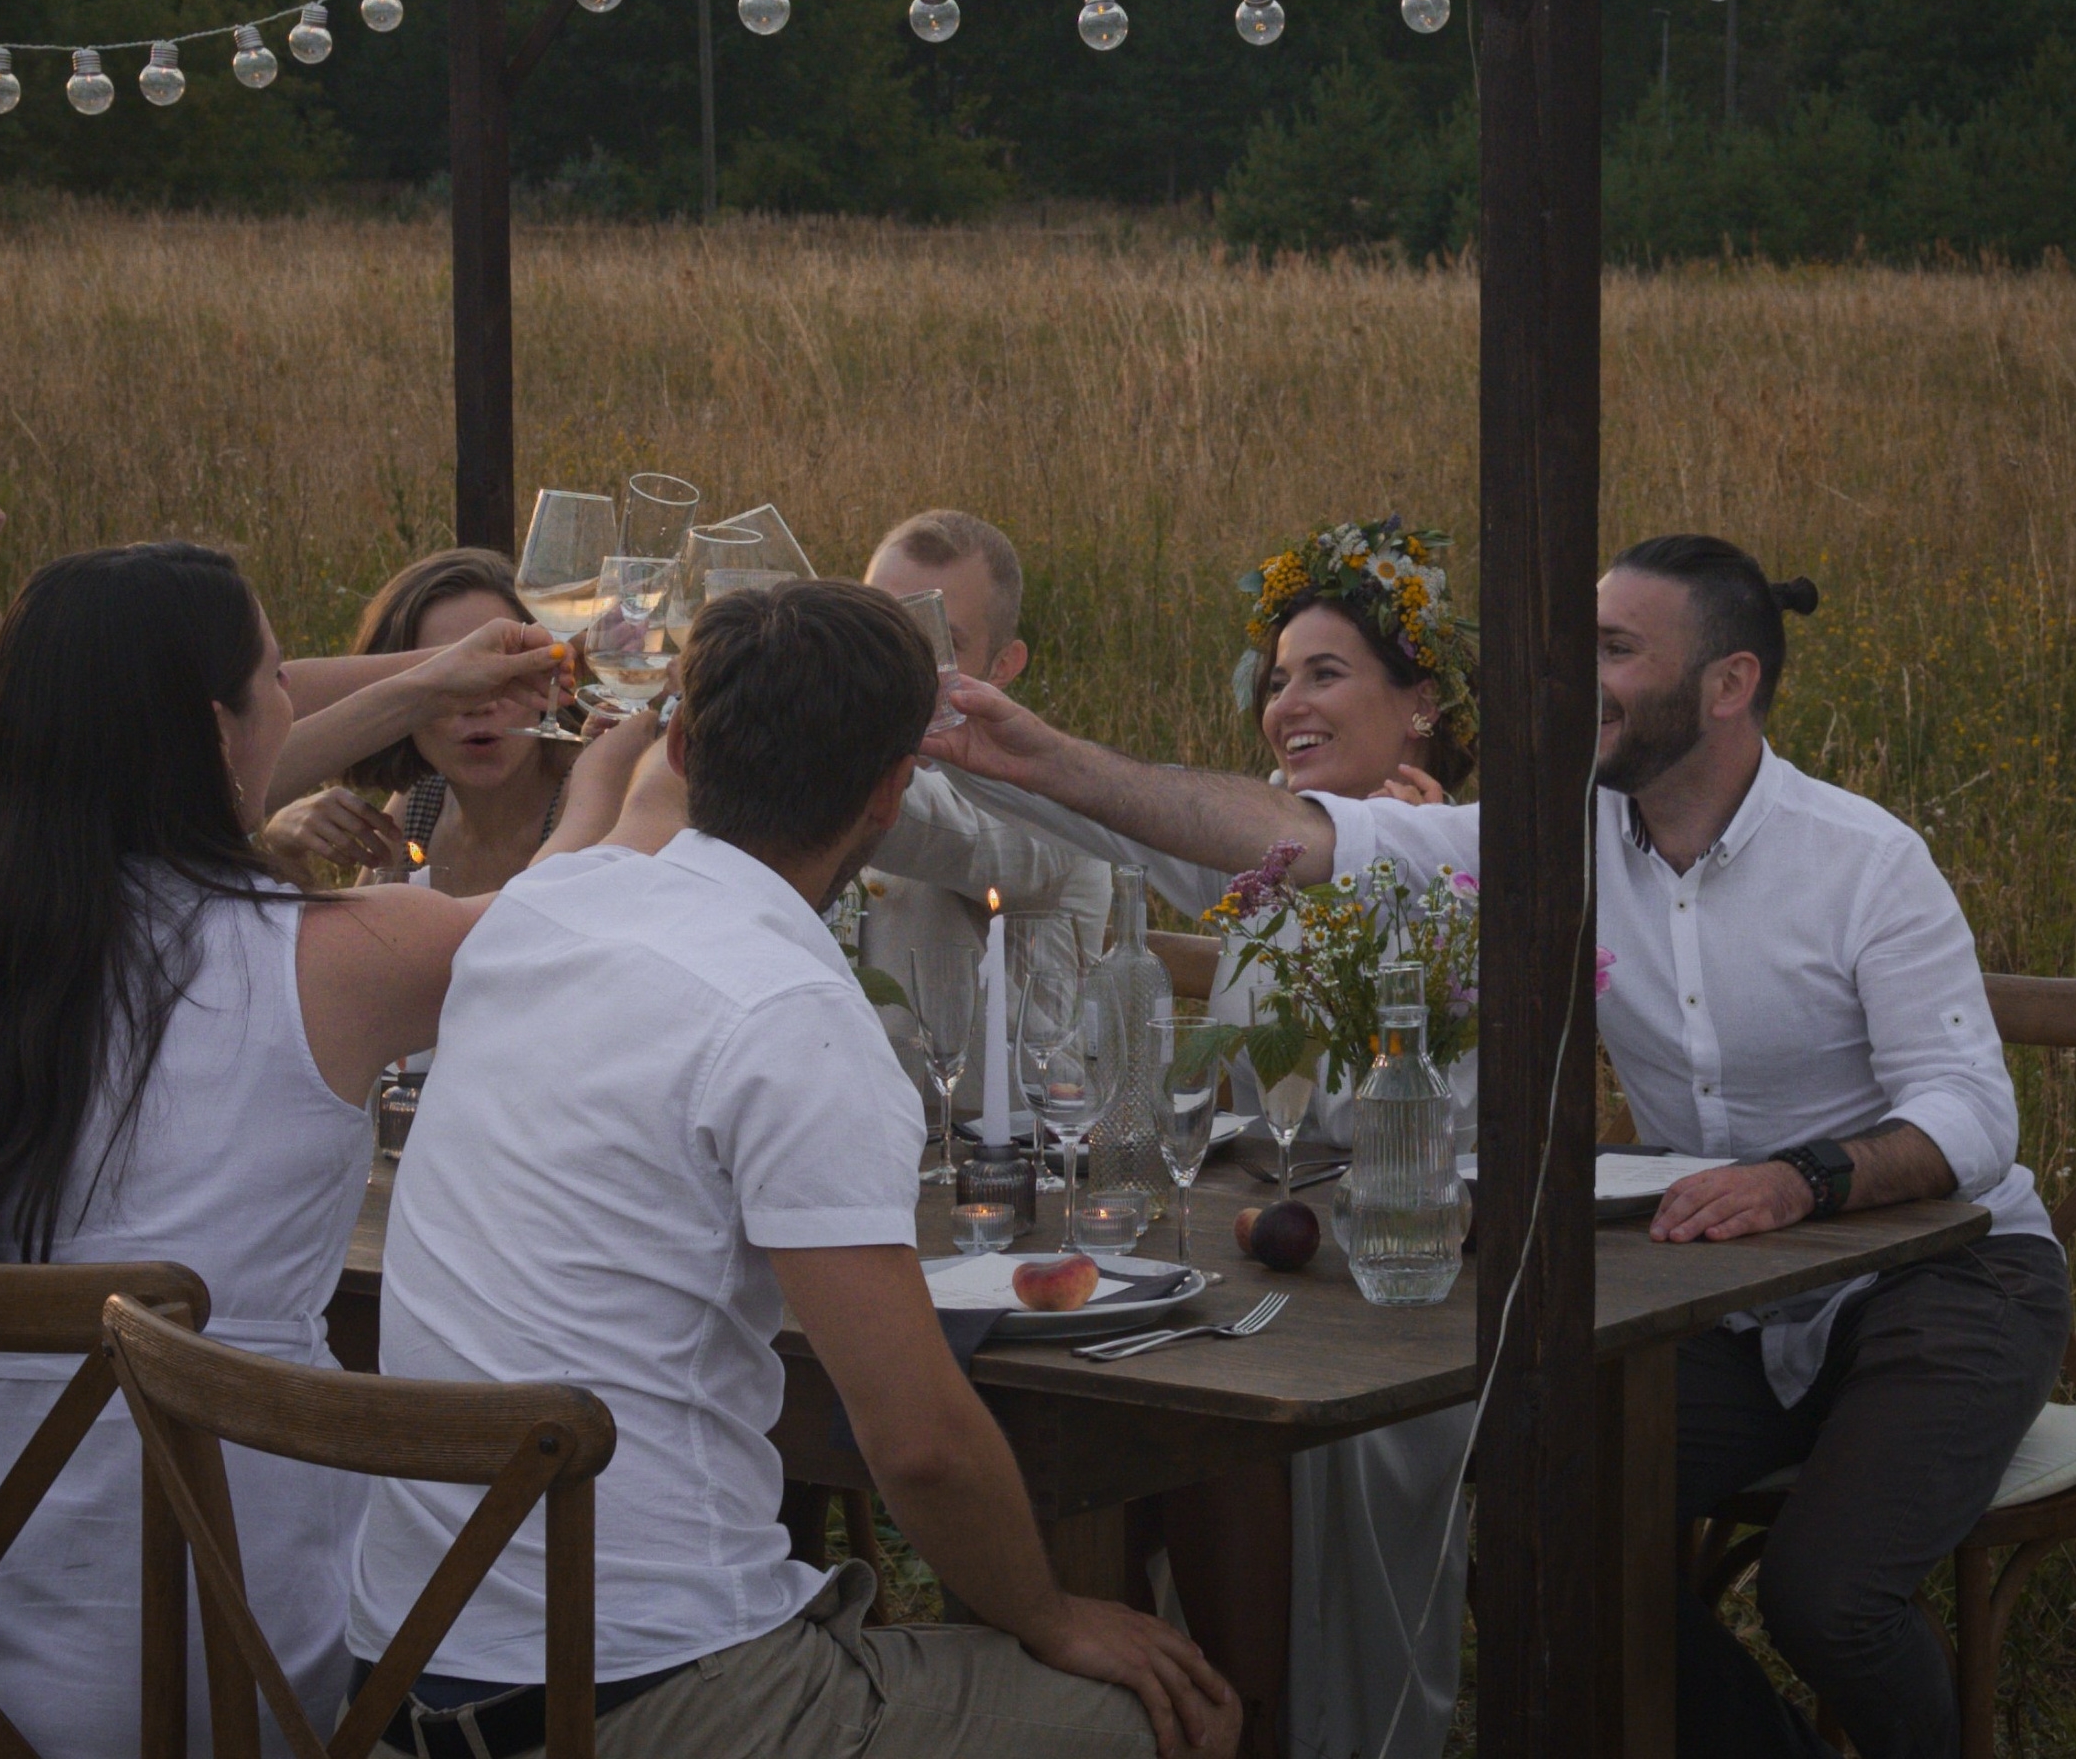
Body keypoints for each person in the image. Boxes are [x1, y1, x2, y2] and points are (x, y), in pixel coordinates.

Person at [929, 534, 2069, 1759]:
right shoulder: (1543, 837)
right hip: (1732, 1302)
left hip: (1947, 1284)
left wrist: (1803, 1177)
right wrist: (1034, 754)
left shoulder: (1864, 859)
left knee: (1825, 1596)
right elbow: (1293, 834)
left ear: (1729, 683)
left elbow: (1970, 1113)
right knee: (1539, 1537)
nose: (1572, 678)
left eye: (1614, 650)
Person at [350, 579, 1242, 1759]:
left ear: (676, 743)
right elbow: (916, 1437)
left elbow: (630, 819)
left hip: (397, 1679)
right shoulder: (790, 1014)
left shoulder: (545, 906)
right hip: (628, 1694)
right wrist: (1049, 1610)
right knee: (1153, 1718)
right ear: (888, 793)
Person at [0, 541, 650, 1757]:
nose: (295, 703)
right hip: (227, 1630)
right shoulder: (331, 956)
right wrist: (618, 760)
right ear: (221, 730)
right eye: (278, 677)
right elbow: (570, 907)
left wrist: (424, 685)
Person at [933, 516, 1481, 1759]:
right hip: (1275, 1252)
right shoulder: (1262, 866)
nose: (1285, 699)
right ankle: (1154, 1705)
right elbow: (1120, 821)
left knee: (1200, 1404)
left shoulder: (1465, 856)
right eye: (1274, 677)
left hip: (1413, 1276)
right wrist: (957, 742)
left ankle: (1267, 1722)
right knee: (1130, 1389)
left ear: (1421, 702)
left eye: (1324, 671)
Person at [856, 512, 1110, 1110]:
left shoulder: (1051, 795)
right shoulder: (825, 761)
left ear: (1003, 666)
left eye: (935, 639)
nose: (893, 659)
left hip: (1013, 1165)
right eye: (876, 625)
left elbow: (954, 837)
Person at [262, 549, 573, 895]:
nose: (481, 701)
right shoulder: (422, 802)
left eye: (505, 669)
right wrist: (283, 847)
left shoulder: (592, 797)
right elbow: (361, 940)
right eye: (456, 679)